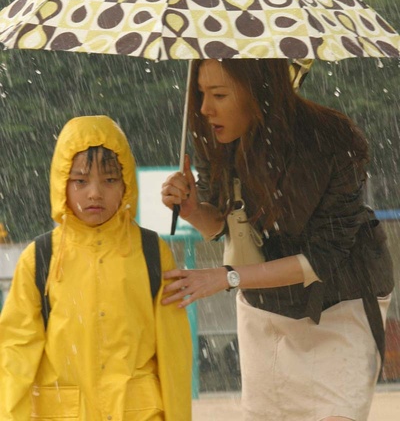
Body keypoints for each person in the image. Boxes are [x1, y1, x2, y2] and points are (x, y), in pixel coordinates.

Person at [161, 59, 394, 421]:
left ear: (258, 91)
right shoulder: (213, 135)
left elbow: (322, 258)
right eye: (201, 93)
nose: (205, 108)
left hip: (342, 299)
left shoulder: (332, 139)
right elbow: (222, 223)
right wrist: (192, 209)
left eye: (219, 95)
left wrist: (227, 276)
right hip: (266, 305)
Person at [0, 115, 192, 421]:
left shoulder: (152, 253)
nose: (95, 192)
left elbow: (174, 354)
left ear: (126, 182)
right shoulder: (40, 258)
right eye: (80, 180)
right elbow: (15, 354)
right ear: (61, 183)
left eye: (109, 180)